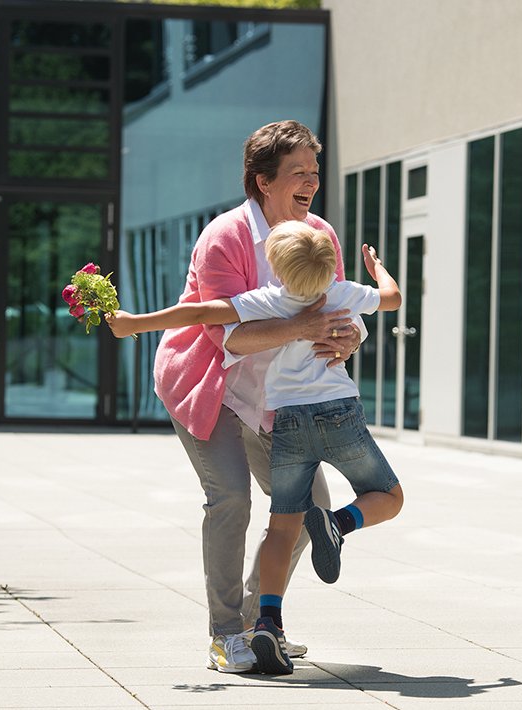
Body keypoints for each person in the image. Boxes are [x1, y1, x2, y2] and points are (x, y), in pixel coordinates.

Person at [107, 221, 405, 675]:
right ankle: (340, 523)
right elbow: (392, 299)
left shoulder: (269, 301)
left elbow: (198, 314)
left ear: (279, 272)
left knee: (282, 529)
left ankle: (267, 624)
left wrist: (134, 325)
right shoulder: (343, 291)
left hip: (286, 424)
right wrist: (379, 268)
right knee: (388, 496)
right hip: (338, 415)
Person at [125, 120, 363, 674]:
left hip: (278, 398)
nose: (311, 182)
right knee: (230, 499)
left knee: (312, 512)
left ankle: (261, 627)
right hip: (211, 387)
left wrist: (345, 336)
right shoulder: (226, 237)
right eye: (299, 172)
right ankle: (224, 632)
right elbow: (225, 335)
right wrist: (306, 327)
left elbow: (337, 315)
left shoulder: (320, 236)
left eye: (315, 171)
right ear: (263, 181)